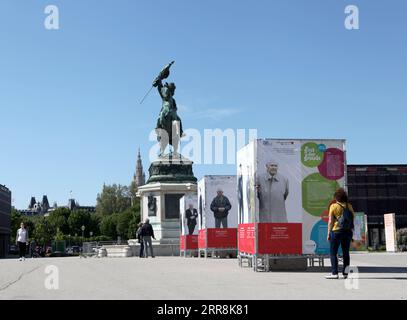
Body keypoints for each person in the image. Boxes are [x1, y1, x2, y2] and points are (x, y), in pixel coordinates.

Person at [326, 188, 355, 279]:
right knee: (346, 253)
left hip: (337, 231)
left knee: (333, 252)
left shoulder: (333, 206)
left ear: (336, 197)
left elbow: (331, 221)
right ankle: (346, 273)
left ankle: (334, 273)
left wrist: (328, 232)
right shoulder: (349, 206)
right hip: (348, 232)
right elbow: (352, 218)